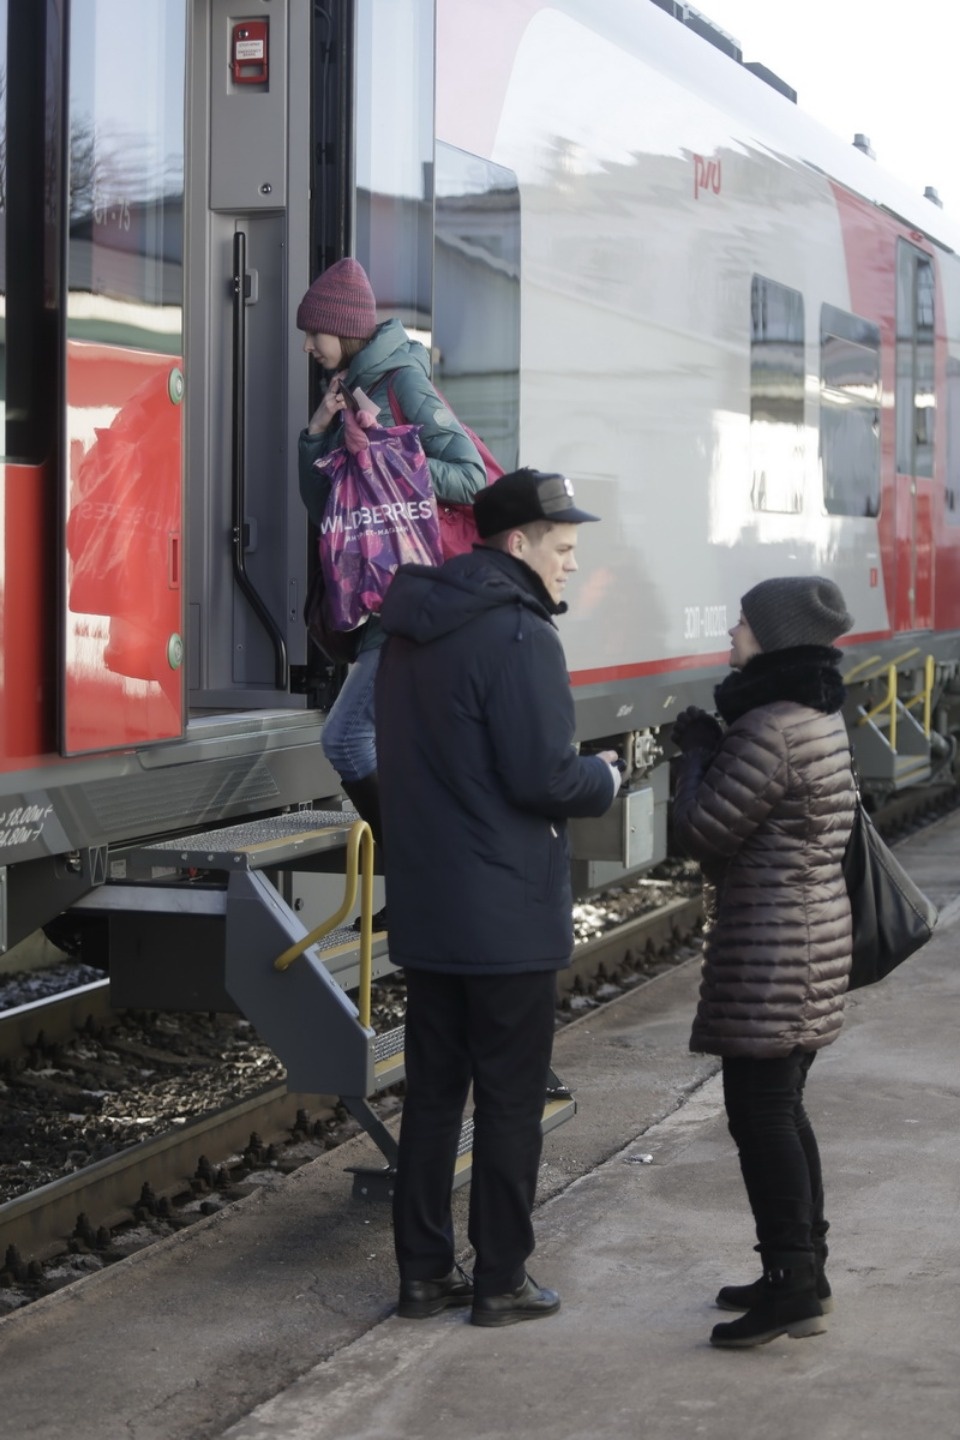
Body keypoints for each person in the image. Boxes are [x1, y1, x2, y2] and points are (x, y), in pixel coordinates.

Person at [374, 468, 622, 1326]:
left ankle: (421, 1274)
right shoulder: (520, 637)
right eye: (562, 549)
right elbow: (543, 774)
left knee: (434, 1097)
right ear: (516, 543)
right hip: (506, 914)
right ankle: (502, 1279)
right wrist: (606, 776)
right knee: (512, 1100)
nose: (570, 566)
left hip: (431, 908)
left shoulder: (410, 631)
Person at [670, 575, 857, 1349]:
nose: (730, 637)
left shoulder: (769, 728)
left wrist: (694, 757)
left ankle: (791, 1287)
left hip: (774, 952)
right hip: (804, 942)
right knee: (782, 1107)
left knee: (761, 1114)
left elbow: (702, 833)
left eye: (741, 626)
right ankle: (801, 1269)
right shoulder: (811, 714)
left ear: (772, 639)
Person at [296, 257, 484, 873]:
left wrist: (388, 454)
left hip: (413, 597)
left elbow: (472, 478)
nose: (307, 345)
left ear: (344, 329)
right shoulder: (349, 391)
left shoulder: (403, 383)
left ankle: (417, 872)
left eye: (314, 333)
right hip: (381, 599)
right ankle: (419, 876)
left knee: (346, 738)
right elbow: (325, 503)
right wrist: (318, 432)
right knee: (389, 746)